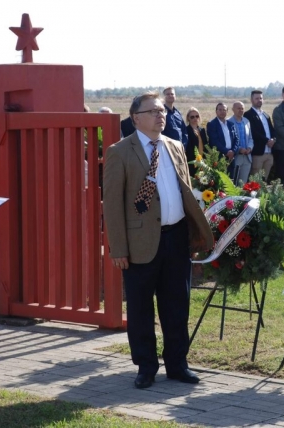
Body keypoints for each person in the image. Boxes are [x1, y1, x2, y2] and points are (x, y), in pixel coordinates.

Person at [102, 92, 213, 389]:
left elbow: (185, 192)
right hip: (139, 243)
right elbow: (112, 205)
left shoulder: (176, 146)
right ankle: (146, 367)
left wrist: (195, 233)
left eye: (162, 111)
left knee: (177, 305)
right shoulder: (120, 152)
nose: (160, 115)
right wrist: (118, 248)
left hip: (175, 238)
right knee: (140, 309)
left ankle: (177, 365)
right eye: (152, 111)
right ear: (136, 118)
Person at [244, 90, 276, 181]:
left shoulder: (266, 115)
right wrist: (267, 141)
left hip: (269, 153)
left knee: (264, 182)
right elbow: (253, 132)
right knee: (254, 182)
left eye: (261, 98)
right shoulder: (248, 115)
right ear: (251, 100)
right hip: (258, 154)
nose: (259, 100)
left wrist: (273, 139)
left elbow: (272, 130)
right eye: (256, 98)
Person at [207, 103, 239, 180]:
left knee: (231, 181)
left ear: (227, 111)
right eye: (220, 110)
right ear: (216, 111)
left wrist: (233, 151)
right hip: (220, 157)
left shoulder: (231, 124)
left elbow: (236, 139)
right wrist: (227, 152)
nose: (222, 112)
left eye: (224, 110)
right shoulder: (212, 124)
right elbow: (214, 141)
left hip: (231, 157)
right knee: (221, 181)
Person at [228, 101, 254, 185]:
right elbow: (229, 140)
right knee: (233, 183)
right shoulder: (228, 122)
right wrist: (239, 149)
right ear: (233, 109)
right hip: (236, 157)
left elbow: (250, 138)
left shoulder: (247, 121)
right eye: (238, 108)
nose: (241, 110)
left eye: (242, 108)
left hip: (247, 157)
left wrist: (249, 148)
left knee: (243, 184)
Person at [185, 107, 209, 177]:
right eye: (192, 117)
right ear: (188, 118)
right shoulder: (186, 130)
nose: (195, 118)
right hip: (192, 162)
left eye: (197, 116)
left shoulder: (202, 130)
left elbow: (206, 145)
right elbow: (188, 148)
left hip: (203, 161)